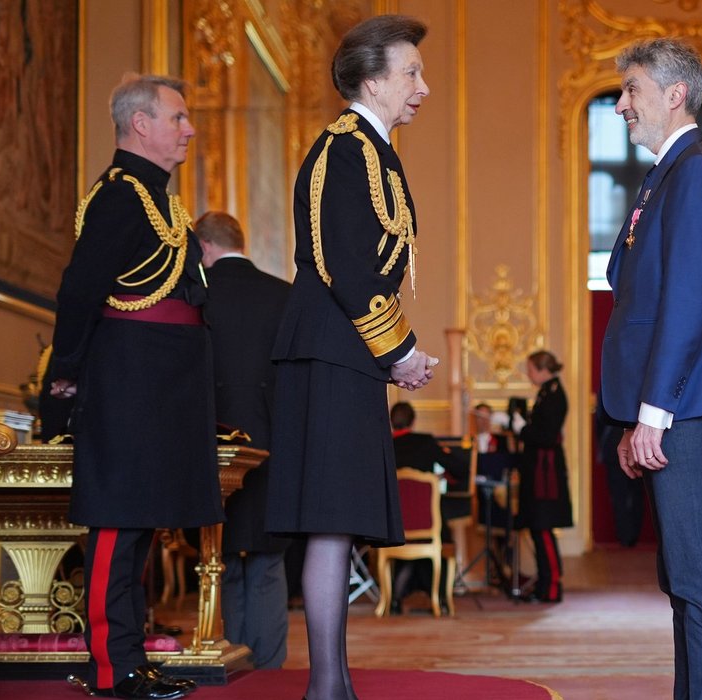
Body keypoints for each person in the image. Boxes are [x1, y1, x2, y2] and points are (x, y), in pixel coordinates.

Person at [264, 15, 436, 700]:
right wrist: (400, 351)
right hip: (334, 352)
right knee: (329, 523)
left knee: (335, 526)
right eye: (411, 72)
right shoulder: (346, 148)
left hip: (344, 352)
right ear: (371, 79)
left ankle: (332, 684)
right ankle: (327, 687)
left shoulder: (372, 149)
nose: (422, 86)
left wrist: (393, 352)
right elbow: (347, 267)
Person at [50, 74, 219, 700]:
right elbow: (80, 291)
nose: (189, 129)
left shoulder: (160, 201)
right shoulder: (118, 195)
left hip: (161, 382)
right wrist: (66, 371)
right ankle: (109, 667)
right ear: (140, 124)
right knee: (118, 525)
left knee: (142, 527)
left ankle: (131, 657)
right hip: (128, 381)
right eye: (178, 117)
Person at [598, 38, 702, 700]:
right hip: (665, 407)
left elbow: (686, 298)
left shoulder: (697, 173)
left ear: (673, 93)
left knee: (699, 582)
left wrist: (653, 414)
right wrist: (635, 418)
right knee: (681, 581)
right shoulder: (664, 174)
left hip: (679, 406)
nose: (622, 103)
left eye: (631, 90)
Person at [194, 211, 291, 668]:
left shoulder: (197, 294)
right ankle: (270, 667)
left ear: (204, 247)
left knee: (223, 560)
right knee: (269, 563)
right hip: (273, 443)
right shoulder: (283, 295)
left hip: (211, 445)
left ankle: (231, 660)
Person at [387, 401, 469, 614]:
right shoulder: (425, 442)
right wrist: (438, 478)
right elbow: (460, 468)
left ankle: (396, 598)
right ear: (413, 422)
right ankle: (440, 598)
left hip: (393, 525)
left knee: (407, 539)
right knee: (440, 537)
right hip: (428, 522)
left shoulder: (383, 445)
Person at [512, 350, 573, 603]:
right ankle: (544, 585)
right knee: (539, 529)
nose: (528, 373)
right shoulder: (548, 391)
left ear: (542, 369)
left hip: (544, 473)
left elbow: (546, 436)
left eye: (530, 369)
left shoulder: (554, 393)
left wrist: (522, 428)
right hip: (539, 469)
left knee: (543, 528)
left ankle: (551, 586)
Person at [597, 415, 644, 547]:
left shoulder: (610, 400)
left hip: (620, 450)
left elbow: (600, 425)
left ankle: (626, 535)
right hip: (625, 450)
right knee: (631, 495)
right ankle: (630, 535)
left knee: (624, 496)